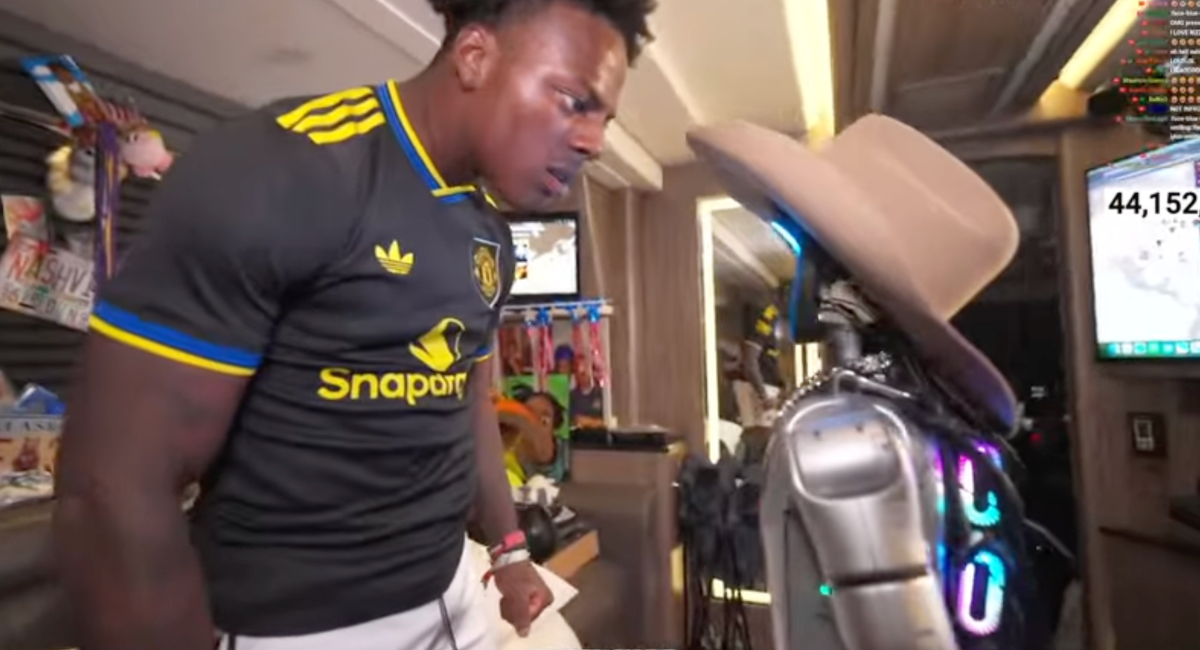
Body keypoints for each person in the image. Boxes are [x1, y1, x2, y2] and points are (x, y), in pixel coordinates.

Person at [51, 1, 655, 649]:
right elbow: (110, 489)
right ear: (475, 57)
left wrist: (509, 553)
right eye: (574, 102)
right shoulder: (282, 168)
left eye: (605, 119)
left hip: (451, 593)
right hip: (302, 627)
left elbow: (467, 399)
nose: (594, 141)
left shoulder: (490, 237)